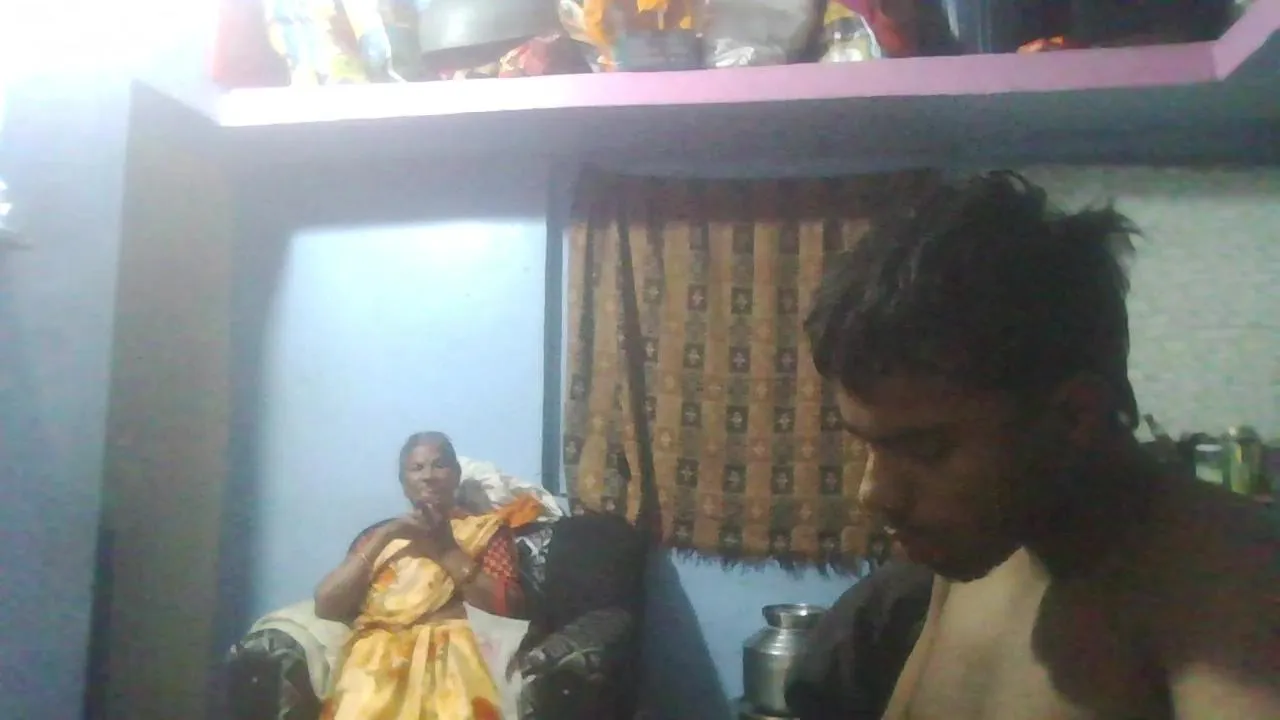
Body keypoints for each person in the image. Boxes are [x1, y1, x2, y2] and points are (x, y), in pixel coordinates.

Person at [803, 171, 1280, 719]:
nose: (875, 494)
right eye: (869, 445)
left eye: (927, 450)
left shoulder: (1237, 590)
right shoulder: (987, 545)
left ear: (1074, 415)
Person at [313, 431, 543, 720]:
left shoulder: (484, 531)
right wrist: (385, 536)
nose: (428, 476)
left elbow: (508, 608)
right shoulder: (379, 537)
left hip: (456, 656)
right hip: (376, 661)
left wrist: (447, 549)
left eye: (439, 465)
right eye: (417, 468)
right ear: (403, 482)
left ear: (456, 475)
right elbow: (326, 605)